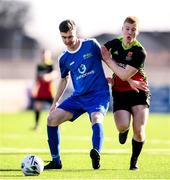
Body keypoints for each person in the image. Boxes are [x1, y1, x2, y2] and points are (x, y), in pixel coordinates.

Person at [44, 19, 110, 170]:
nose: (67, 40)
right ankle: (56, 161)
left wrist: (117, 77)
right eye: (64, 37)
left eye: (70, 36)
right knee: (51, 119)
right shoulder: (63, 58)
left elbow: (107, 60)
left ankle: (96, 153)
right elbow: (63, 79)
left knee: (96, 118)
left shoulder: (91, 45)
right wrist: (55, 102)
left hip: (98, 94)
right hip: (79, 97)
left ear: (76, 33)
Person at [101, 16, 151, 170]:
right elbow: (101, 51)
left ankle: (134, 161)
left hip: (139, 91)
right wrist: (126, 79)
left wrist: (109, 61)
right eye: (127, 29)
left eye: (133, 30)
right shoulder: (115, 43)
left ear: (137, 32)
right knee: (122, 126)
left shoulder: (139, 51)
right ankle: (124, 131)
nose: (130, 32)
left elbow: (123, 74)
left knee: (139, 130)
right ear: (122, 29)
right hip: (119, 92)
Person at [31, 49, 57, 130]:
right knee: (37, 107)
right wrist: (34, 88)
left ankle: (57, 124)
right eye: (43, 54)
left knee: (54, 109)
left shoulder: (51, 64)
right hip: (41, 90)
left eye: (46, 54)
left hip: (50, 91)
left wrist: (48, 76)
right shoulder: (39, 66)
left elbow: (55, 73)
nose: (44, 56)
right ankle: (36, 125)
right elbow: (36, 78)